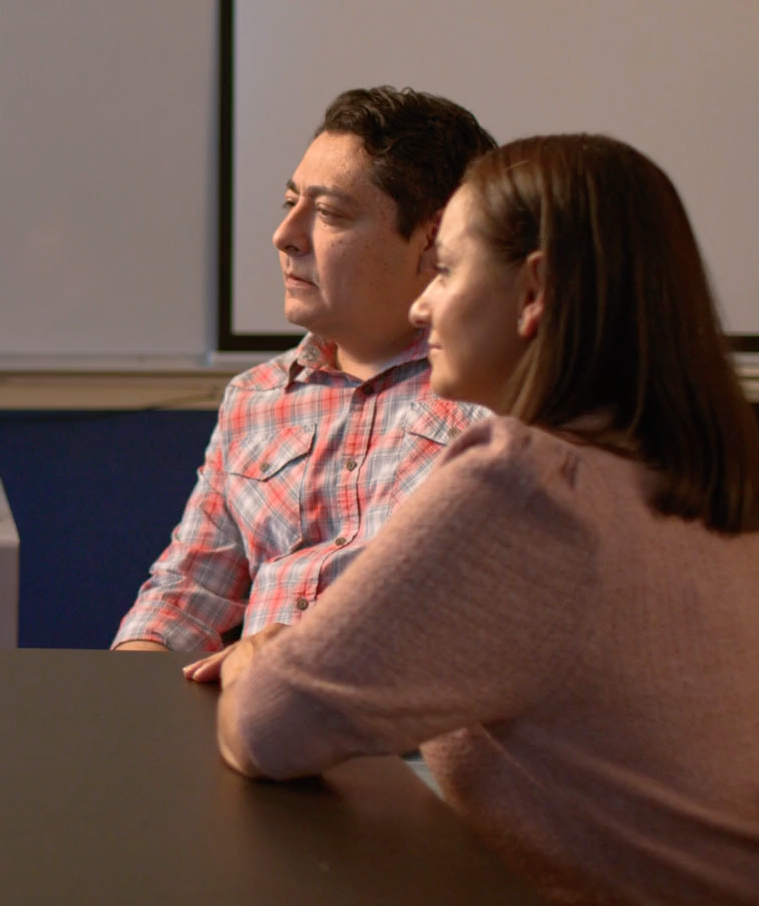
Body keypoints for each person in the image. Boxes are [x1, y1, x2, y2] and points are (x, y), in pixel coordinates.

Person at [192, 134, 759, 904]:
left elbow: (269, 726)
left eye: (447, 271)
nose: (421, 304)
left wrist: (253, 656)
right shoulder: (711, 473)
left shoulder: (527, 485)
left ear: (534, 292)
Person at [113, 87, 495, 652]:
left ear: (434, 240)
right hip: (250, 702)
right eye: (289, 203)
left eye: (329, 213)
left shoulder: (497, 397)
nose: (285, 237)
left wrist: (292, 665)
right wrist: (133, 675)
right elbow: (186, 592)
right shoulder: (256, 397)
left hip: (392, 703)